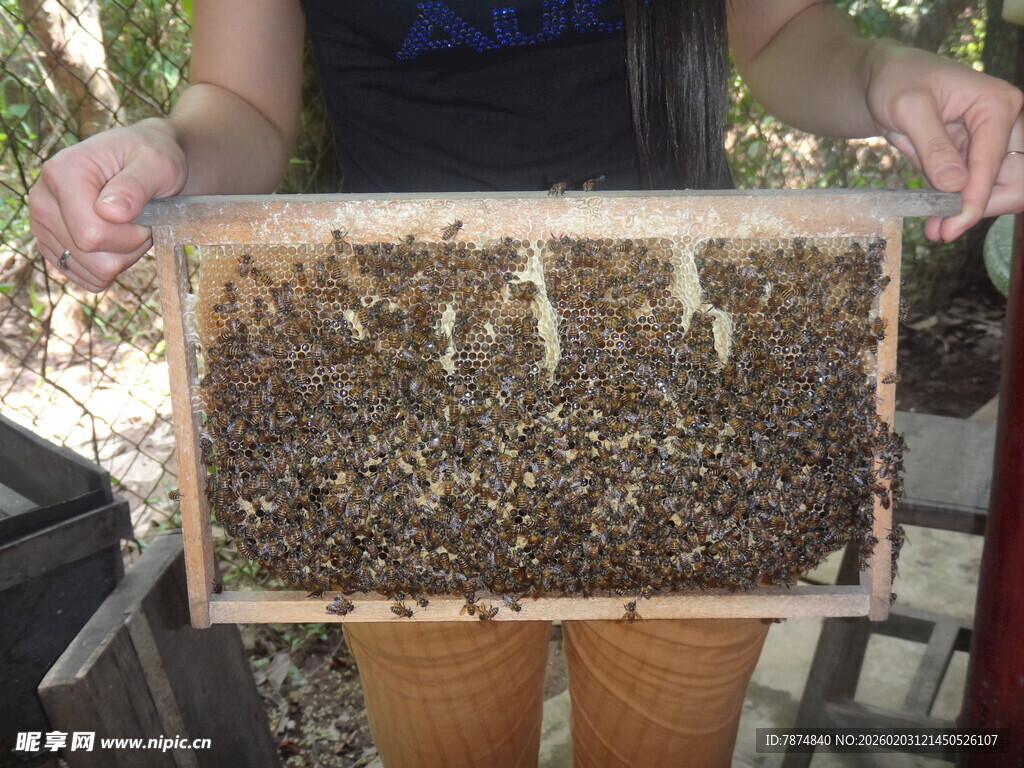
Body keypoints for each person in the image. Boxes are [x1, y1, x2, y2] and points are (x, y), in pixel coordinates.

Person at [28, 2, 1024, 766]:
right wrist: (167, 153)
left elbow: (786, 30)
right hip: (401, 402)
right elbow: (238, 104)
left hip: (689, 372)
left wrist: (885, 72)